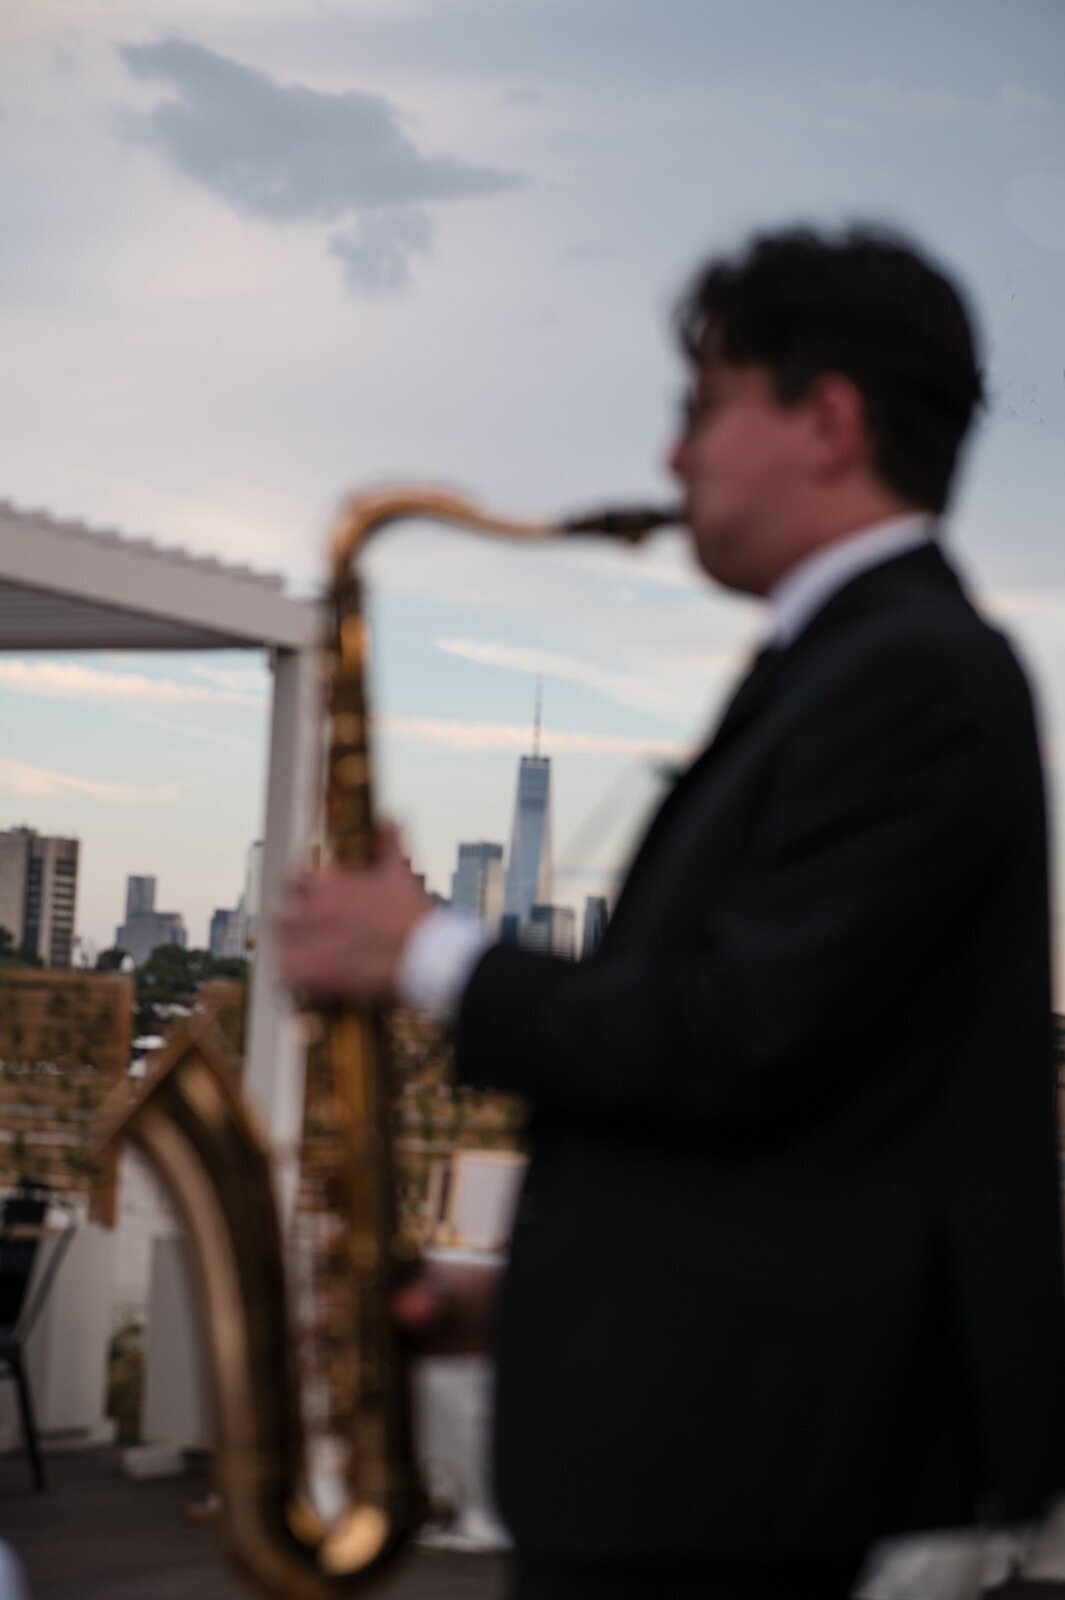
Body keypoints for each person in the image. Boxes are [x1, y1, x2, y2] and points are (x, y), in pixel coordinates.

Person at [277, 226, 1065, 1600]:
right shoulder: (854, 664)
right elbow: (796, 1136)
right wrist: (521, 1305)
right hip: (709, 1446)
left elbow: (736, 1034)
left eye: (701, 407)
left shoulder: (914, 675)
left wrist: (426, 951)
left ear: (827, 421)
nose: (669, 461)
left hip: (735, 1474)